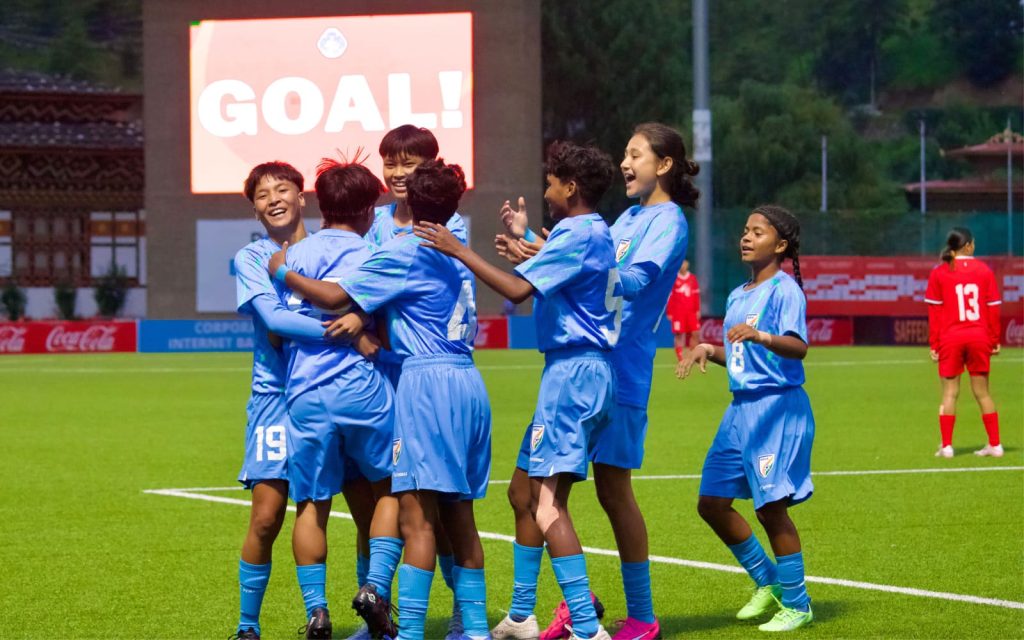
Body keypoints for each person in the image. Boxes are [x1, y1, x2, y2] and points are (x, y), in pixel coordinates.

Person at [275, 159, 491, 640]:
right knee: (460, 514)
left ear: (408, 201)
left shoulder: (401, 251)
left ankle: (407, 630)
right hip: (469, 381)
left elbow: (335, 297)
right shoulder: (455, 250)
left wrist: (284, 272)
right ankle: (475, 629)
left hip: (425, 383)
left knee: (415, 516)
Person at [496, 124, 696, 640]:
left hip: (617, 370)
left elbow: (633, 279)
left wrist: (553, 265)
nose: (626, 163)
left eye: (636, 155)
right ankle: (533, 612)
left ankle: (640, 617)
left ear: (664, 165)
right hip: (580, 367)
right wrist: (538, 251)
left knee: (612, 491)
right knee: (525, 491)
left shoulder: (669, 221)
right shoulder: (626, 217)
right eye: (624, 154)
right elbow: (584, 262)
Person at [418, 141, 622, 640]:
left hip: (573, 377)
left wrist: (459, 250)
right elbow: (561, 270)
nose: (546, 191)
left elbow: (516, 290)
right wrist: (528, 241)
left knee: (549, 507)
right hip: (576, 375)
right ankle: (520, 616)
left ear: (570, 188)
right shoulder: (594, 231)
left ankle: (587, 627)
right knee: (521, 492)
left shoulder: (576, 232)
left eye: (551, 183)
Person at [268, 159, 398, 639]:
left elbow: (277, 334)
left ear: (321, 206)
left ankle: (317, 611)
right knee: (389, 491)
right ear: (367, 210)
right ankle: (375, 588)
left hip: (305, 392)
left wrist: (285, 275)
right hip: (363, 389)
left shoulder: (292, 256)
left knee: (310, 505)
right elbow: (384, 322)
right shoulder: (375, 254)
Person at [678, 205, 815, 632]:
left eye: (758, 232)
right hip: (739, 411)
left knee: (771, 509)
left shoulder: (785, 291)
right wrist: (709, 349)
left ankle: (798, 604)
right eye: (745, 230)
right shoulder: (739, 294)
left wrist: (762, 335)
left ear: (781, 244)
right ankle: (768, 581)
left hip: (776, 407)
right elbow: (742, 355)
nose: (746, 237)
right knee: (711, 503)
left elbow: (798, 347)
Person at [363, 124, 476, 640]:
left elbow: (368, 286)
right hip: (383, 378)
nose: (397, 172)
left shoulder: (448, 227)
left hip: (422, 376)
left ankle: (458, 615)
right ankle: (377, 605)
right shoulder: (376, 223)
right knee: (389, 495)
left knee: (437, 507)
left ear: (431, 167)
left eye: (408, 162)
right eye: (390, 161)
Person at [925, 227, 1003, 458]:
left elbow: (935, 313)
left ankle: (947, 447)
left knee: (950, 393)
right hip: (979, 337)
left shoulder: (940, 272)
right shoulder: (984, 270)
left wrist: (934, 344)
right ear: (968, 246)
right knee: (983, 393)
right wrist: (994, 339)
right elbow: (992, 309)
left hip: (951, 338)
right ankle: (995, 445)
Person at [666, 260, 701, 362]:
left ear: (687, 265)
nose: (683, 266)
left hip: (691, 312)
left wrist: (697, 309)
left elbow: (696, 295)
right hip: (678, 312)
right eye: (681, 264)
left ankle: (693, 355)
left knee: (696, 333)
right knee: (679, 334)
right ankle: (680, 357)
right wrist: (669, 312)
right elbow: (670, 297)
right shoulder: (674, 279)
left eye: (684, 264)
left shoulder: (692, 278)